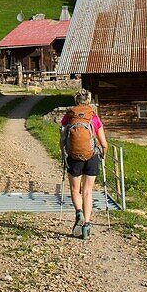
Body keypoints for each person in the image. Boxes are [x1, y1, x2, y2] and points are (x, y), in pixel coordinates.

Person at [60, 89, 108, 240]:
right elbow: (104, 144)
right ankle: (87, 225)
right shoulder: (93, 117)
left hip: (74, 157)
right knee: (87, 191)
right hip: (92, 156)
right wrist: (103, 155)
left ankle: (78, 212)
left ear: (76, 100)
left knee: (75, 189)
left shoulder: (68, 117)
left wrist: (64, 153)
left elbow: (62, 139)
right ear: (88, 100)